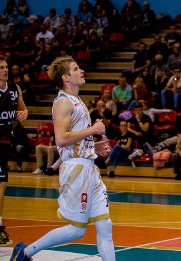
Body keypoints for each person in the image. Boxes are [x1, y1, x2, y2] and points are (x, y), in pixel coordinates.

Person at [11, 56, 114, 261]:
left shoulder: (77, 100)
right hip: (76, 172)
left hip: (90, 169)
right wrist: (93, 129)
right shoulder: (63, 102)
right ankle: (24, 253)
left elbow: (74, 140)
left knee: (105, 225)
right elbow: (61, 140)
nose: (81, 71)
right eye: (76, 69)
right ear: (66, 77)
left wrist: (93, 146)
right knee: (77, 230)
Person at [0, 56, 28, 246]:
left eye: (6, 67)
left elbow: (23, 111)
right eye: (1, 67)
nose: (5, 70)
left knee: (2, 184)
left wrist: (23, 114)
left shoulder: (15, 89)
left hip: (5, 141)